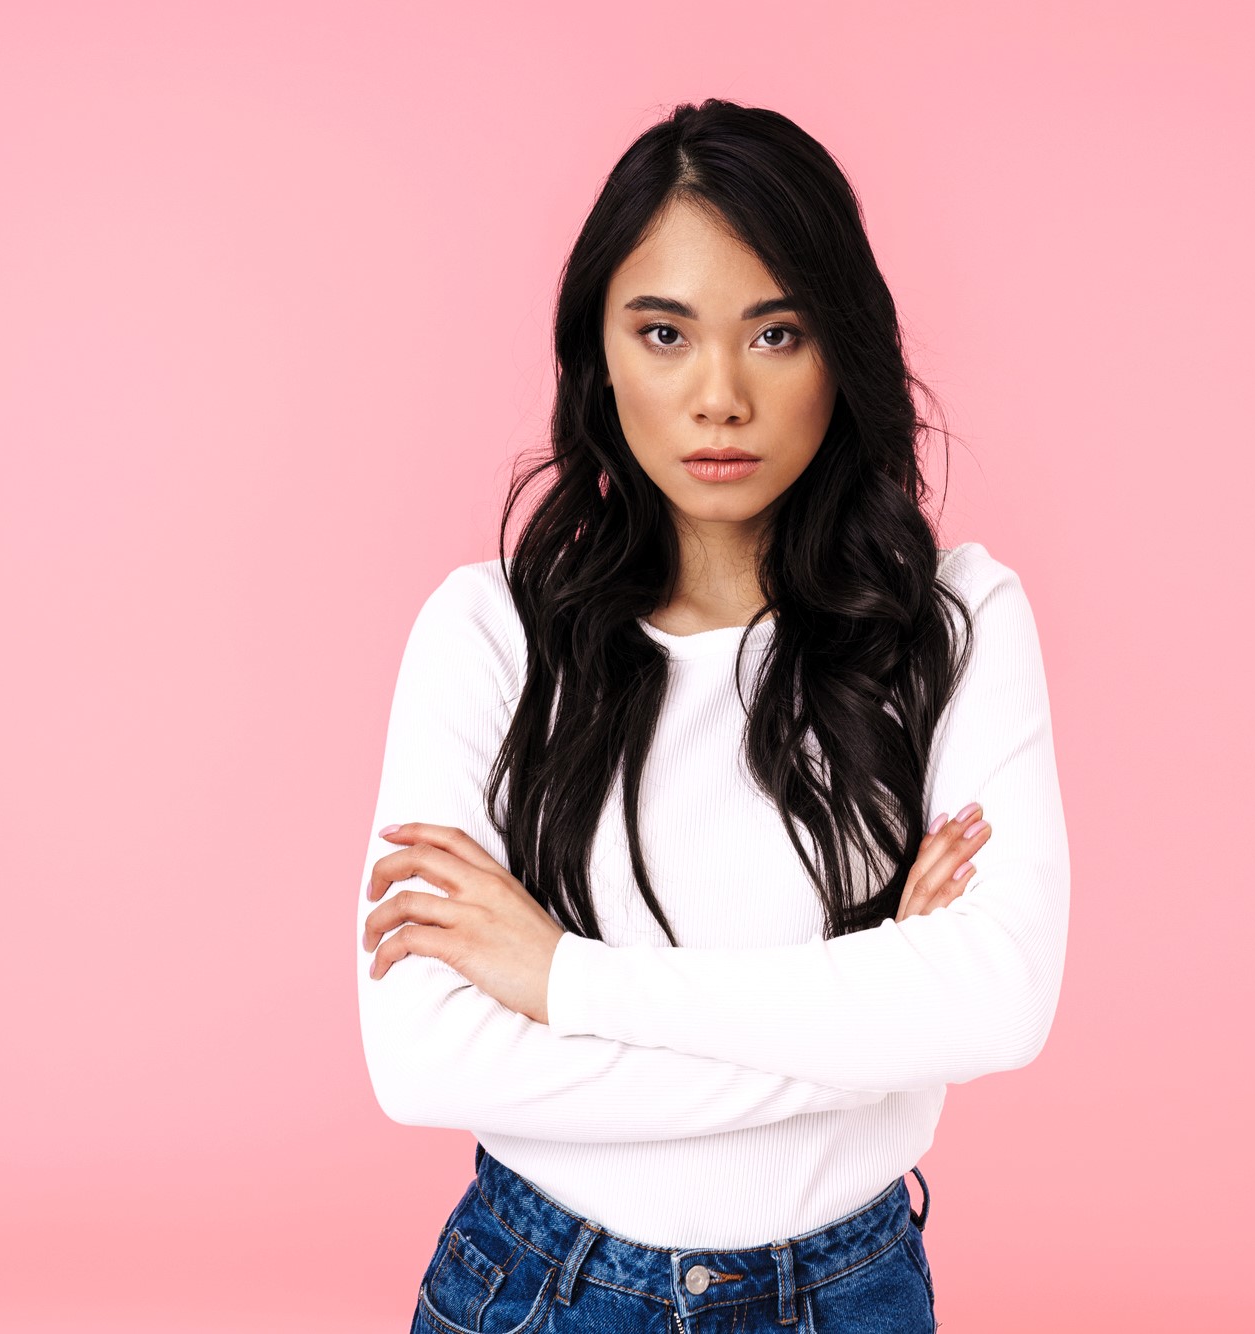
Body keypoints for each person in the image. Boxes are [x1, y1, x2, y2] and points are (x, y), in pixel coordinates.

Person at [356, 97, 1068, 1333]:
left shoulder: (951, 621)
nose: (719, 396)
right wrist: (863, 1020)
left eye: (775, 331)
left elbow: (993, 1002)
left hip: (847, 1292)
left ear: (841, 346)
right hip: (541, 1287)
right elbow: (422, 1060)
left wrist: (560, 978)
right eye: (664, 332)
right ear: (600, 351)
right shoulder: (488, 635)